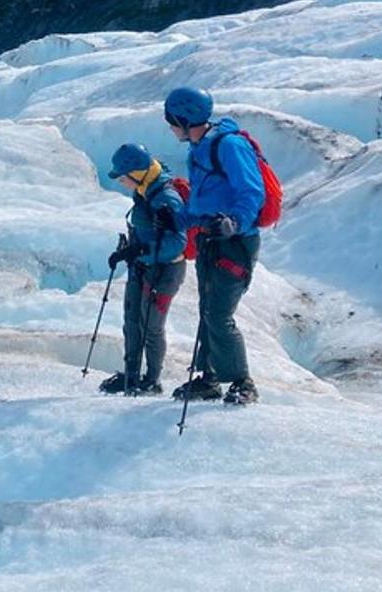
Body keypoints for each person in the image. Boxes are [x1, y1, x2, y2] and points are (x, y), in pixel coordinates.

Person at [158, 87, 264, 405]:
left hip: (235, 243)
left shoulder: (229, 146)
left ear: (184, 118)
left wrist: (234, 223)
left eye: (172, 121)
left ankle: (243, 383)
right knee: (208, 310)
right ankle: (209, 379)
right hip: (210, 240)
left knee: (219, 314)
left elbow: (252, 192)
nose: (170, 127)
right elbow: (202, 204)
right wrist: (178, 221)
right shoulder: (199, 149)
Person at [101, 144, 187, 396]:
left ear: (137, 173)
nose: (121, 182)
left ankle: (152, 381)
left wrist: (141, 251)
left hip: (164, 271)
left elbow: (178, 242)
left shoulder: (165, 197)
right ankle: (131, 377)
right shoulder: (145, 190)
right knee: (132, 321)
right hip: (142, 266)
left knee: (151, 326)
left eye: (123, 177)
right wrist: (130, 251)